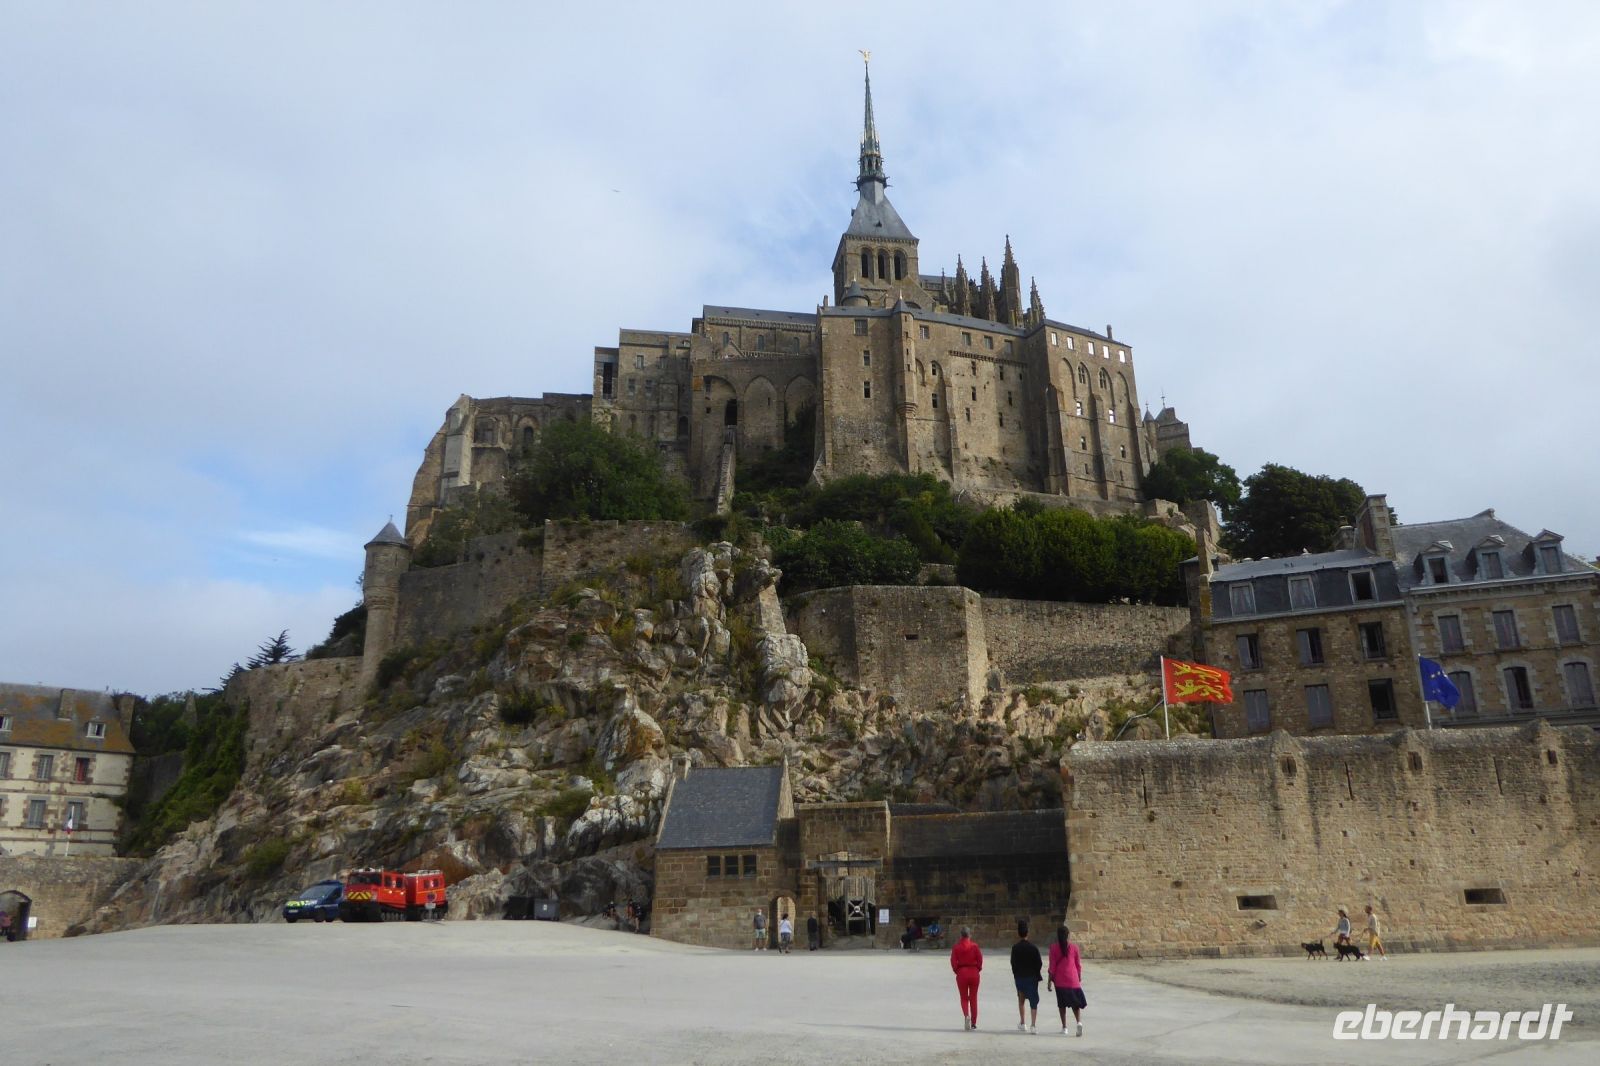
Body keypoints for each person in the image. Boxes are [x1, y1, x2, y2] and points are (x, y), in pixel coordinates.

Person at [1046, 923, 1086, 1037]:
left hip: (1060, 981)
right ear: (1068, 935)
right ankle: (1079, 1022)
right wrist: (1078, 977)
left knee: (1062, 1005)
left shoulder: (1053, 948)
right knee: (1075, 1005)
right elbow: (1078, 965)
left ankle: (1064, 1027)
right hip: (1073, 980)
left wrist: (1049, 982)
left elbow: (1052, 966)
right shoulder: (1074, 948)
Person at [1010, 919, 1043, 1033]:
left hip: (1020, 977)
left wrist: (1016, 974)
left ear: (1018, 933)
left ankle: (1023, 1022)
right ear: (1027, 933)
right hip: (1032, 977)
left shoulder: (1015, 948)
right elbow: (1039, 963)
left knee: (1021, 999)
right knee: (1033, 1001)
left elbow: (1013, 963)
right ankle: (1033, 1025)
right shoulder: (1033, 948)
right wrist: (1035, 972)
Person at [950, 925, 983, 1031]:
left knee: (964, 998)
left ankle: (966, 1015)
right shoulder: (974, 946)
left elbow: (953, 961)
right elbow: (980, 959)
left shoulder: (956, 947)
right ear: (970, 935)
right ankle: (973, 1023)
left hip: (962, 973)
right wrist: (978, 969)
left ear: (961, 935)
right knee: (973, 998)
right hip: (973, 972)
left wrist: (957, 970)